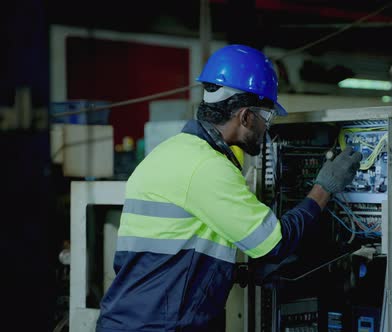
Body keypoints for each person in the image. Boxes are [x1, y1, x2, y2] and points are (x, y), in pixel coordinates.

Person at [95, 44, 362, 332]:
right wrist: (325, 187)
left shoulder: (172, 151)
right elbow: (274, 244)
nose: (267, 128)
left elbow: (176, 250)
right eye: (267, 117)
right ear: (246, 116)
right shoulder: (206, 167)